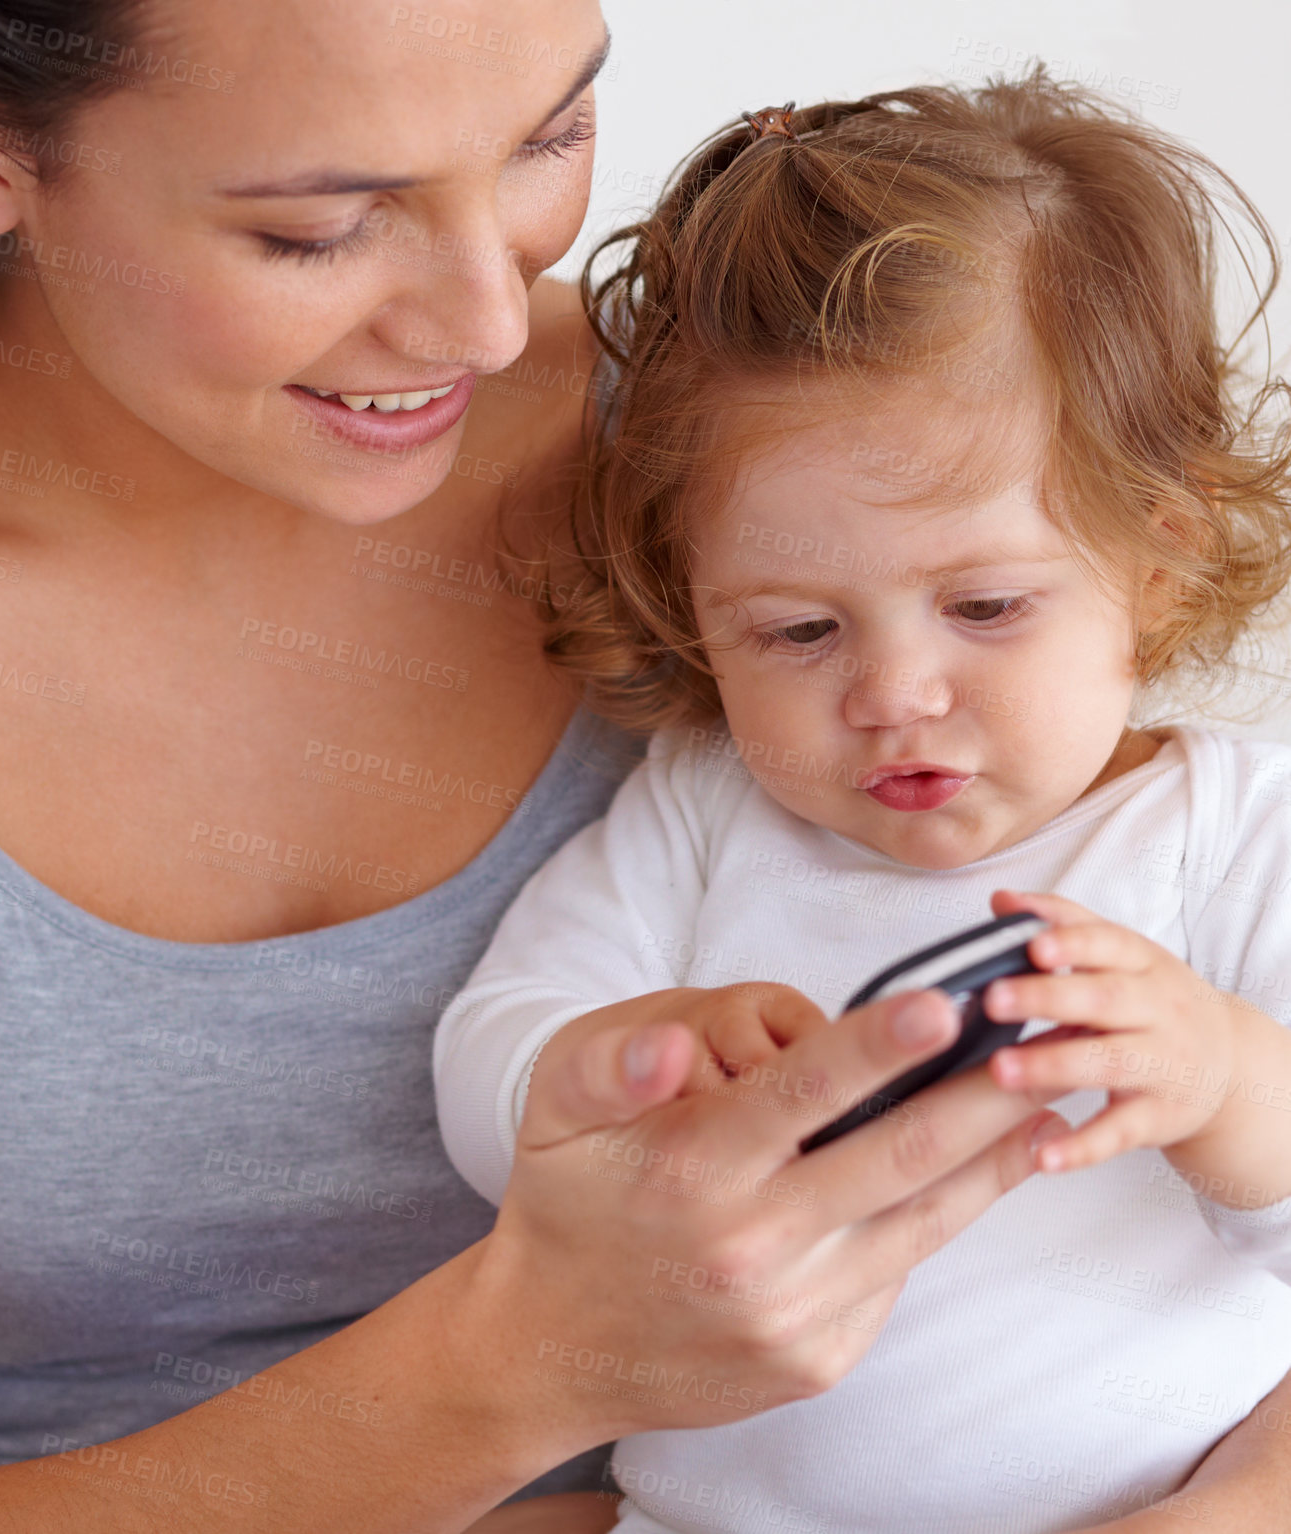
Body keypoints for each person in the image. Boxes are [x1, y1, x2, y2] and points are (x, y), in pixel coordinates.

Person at [0, 3, 1180, 1531]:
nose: (491, 320)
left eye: (547, 136)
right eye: (320, 228)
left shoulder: (766, 460)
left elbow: (1205, 980)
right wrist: (516, 1374)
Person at [435, 70, 1291, 1533]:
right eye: (797, 631)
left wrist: (1222, 1082)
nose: (893, 691)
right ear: (693, 608)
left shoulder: (1225, 834)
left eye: (983, 604)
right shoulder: (707, 810)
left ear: (1153, 559)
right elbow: (491, 1055)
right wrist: (595, 1066)